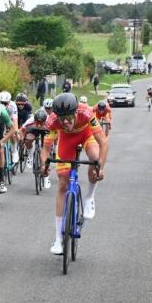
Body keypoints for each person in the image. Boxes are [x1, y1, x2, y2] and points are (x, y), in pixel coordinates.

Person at [41, 93, 108, 255]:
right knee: (63, 184)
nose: (65, 122)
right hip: (66, 141)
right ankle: (58, 238)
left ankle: (89, 197)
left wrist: (101, 167)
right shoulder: (52, 121)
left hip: (86, 135)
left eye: (69, 117)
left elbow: (103, 142)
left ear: (76, 112)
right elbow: (46, 148)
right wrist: (44, 165)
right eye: (62, 118)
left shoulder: (86, 113)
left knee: (94, 157)